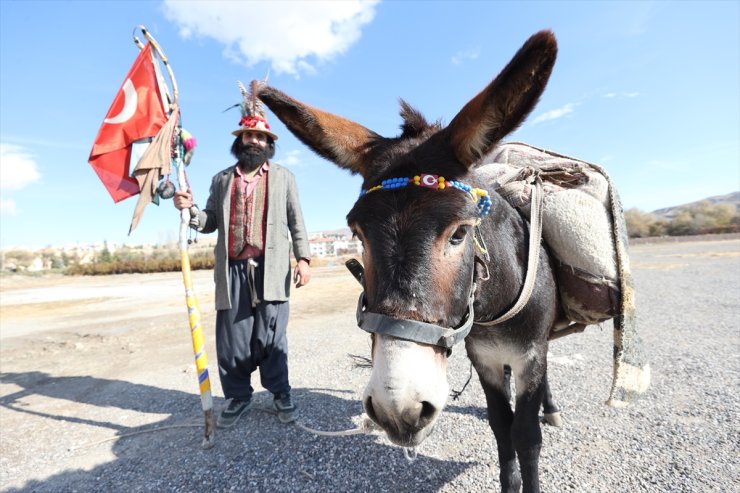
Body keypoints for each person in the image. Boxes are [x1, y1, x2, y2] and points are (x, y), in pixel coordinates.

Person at [173, 83, 311, 429]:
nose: (254, 141)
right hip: (232, 269)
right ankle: (238, 397)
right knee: (232, 339)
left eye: (261, 138)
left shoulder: (284, 178)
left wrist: (304, 259)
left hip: (273, 267)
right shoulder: (221, 180)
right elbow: (208, 222)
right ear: (240, 141)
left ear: (269, 145)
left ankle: (280, 393)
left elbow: (297, 221)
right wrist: (188, 210)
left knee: (272, 335)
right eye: (249, 136)